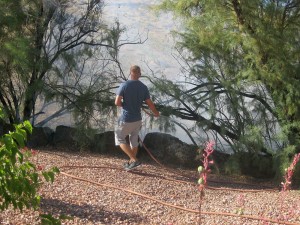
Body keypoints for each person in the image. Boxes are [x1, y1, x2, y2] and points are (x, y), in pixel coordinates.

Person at [115, 65, 159, 170]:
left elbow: (117, 102)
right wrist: (156, 113)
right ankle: (131, 164)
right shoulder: (143, 87)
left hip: (126, 118)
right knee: (134, 141)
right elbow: (150, 103)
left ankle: (134, 160)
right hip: (137, 119)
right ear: (139, 74)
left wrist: (125, 106)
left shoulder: (124, 85)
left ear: (131, 73)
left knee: (119, 138)